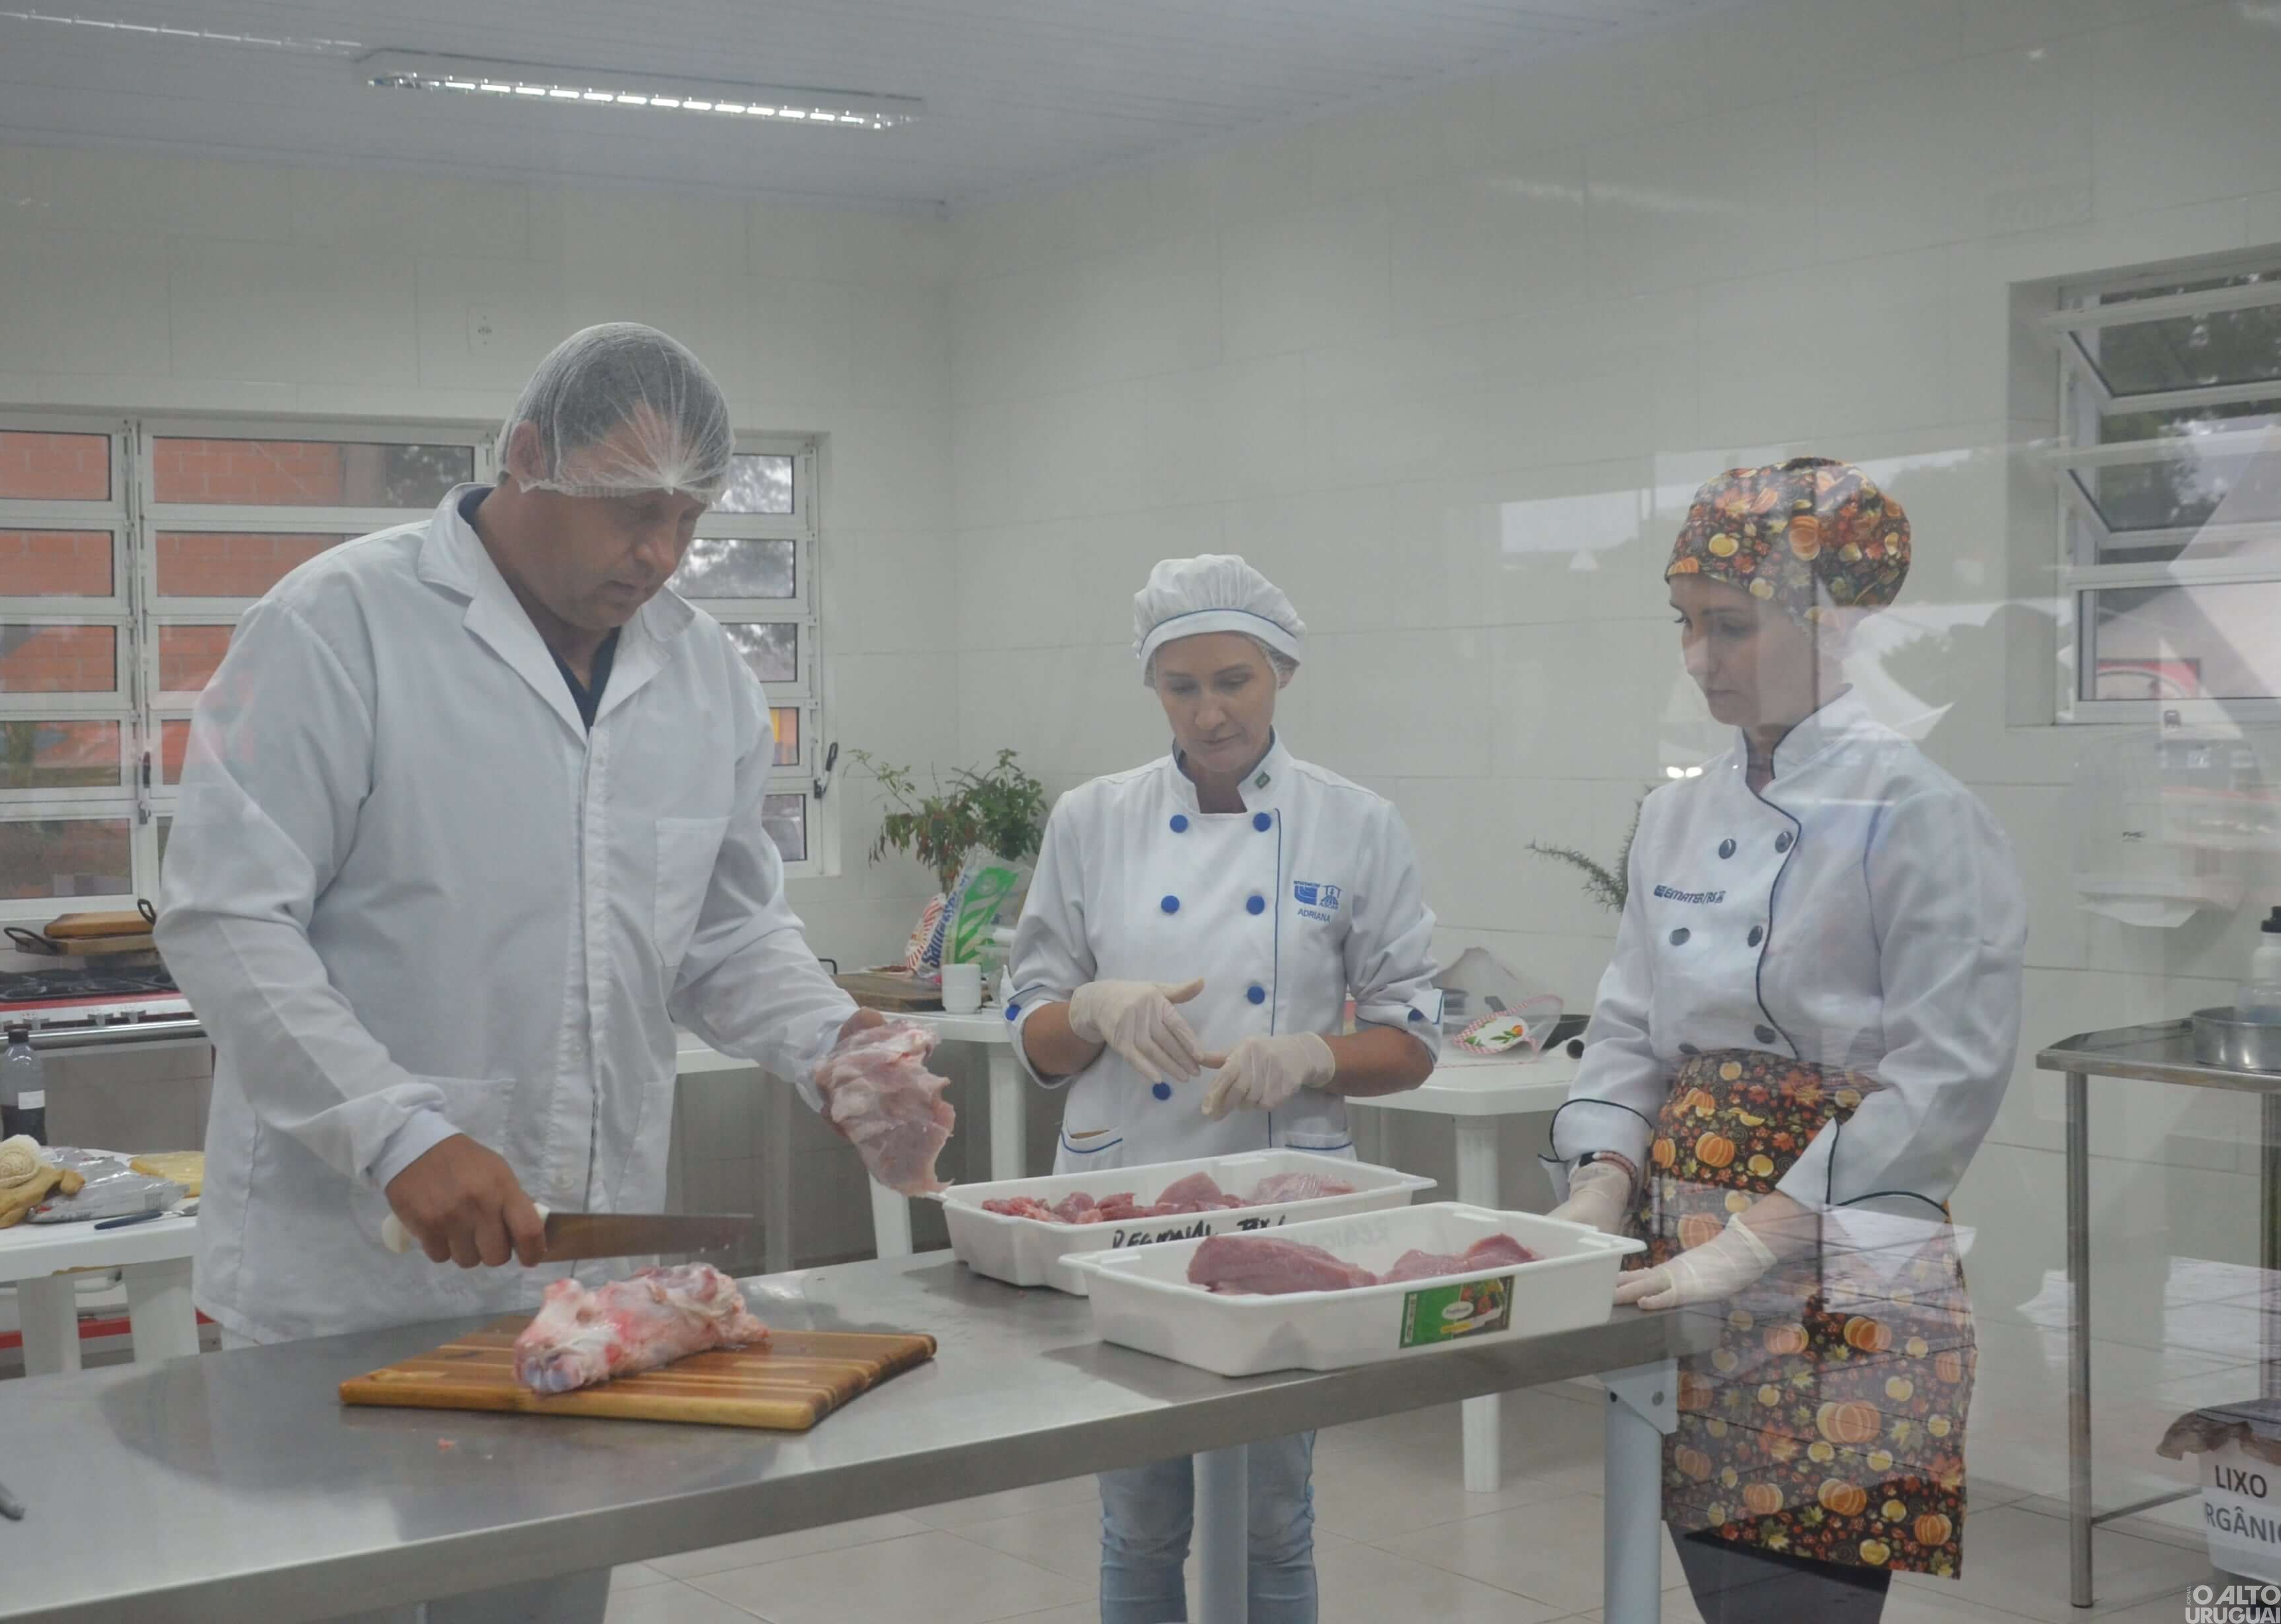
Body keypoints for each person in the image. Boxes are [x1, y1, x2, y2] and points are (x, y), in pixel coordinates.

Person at [158, 324, 919, 1624]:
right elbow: (228, 921)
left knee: (545, 1609)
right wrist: (397, 1132)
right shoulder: (339, 625)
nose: (663, 555)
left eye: (689, 518)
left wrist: (836, 1044)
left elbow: (726, 930)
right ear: (524, 459)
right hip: (345, 1279)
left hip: (581, 1299)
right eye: (631, 511)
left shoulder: (704, 678)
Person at [1543, 458, 2025, 1623]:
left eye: (1733, 628)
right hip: (1680, 1234)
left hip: (1844, 1233)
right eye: (1687, 628)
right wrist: (1603, 1180)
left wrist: (1761, 1237)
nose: (1701, 660)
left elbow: (1946, 1071)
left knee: (1806, 1584)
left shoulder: (1920, 811)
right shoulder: (1676, 811)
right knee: (1708, 1549)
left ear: (1831, 623)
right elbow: (1627, 1026)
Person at [1005, 554, 1444, 1624]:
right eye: (1182, 686)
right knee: (1138, 1515)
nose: (1209, 712)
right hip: (1123, 1207)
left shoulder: (1357, 822)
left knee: (1269, 1516)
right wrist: (1099, 1010)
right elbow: (1033, 1037)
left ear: (1281, 673)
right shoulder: (1092, 819)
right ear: (1153, 689)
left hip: (1278, 1201)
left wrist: (1312, 1056)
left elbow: (1415, 1038)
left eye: (1233, 681)